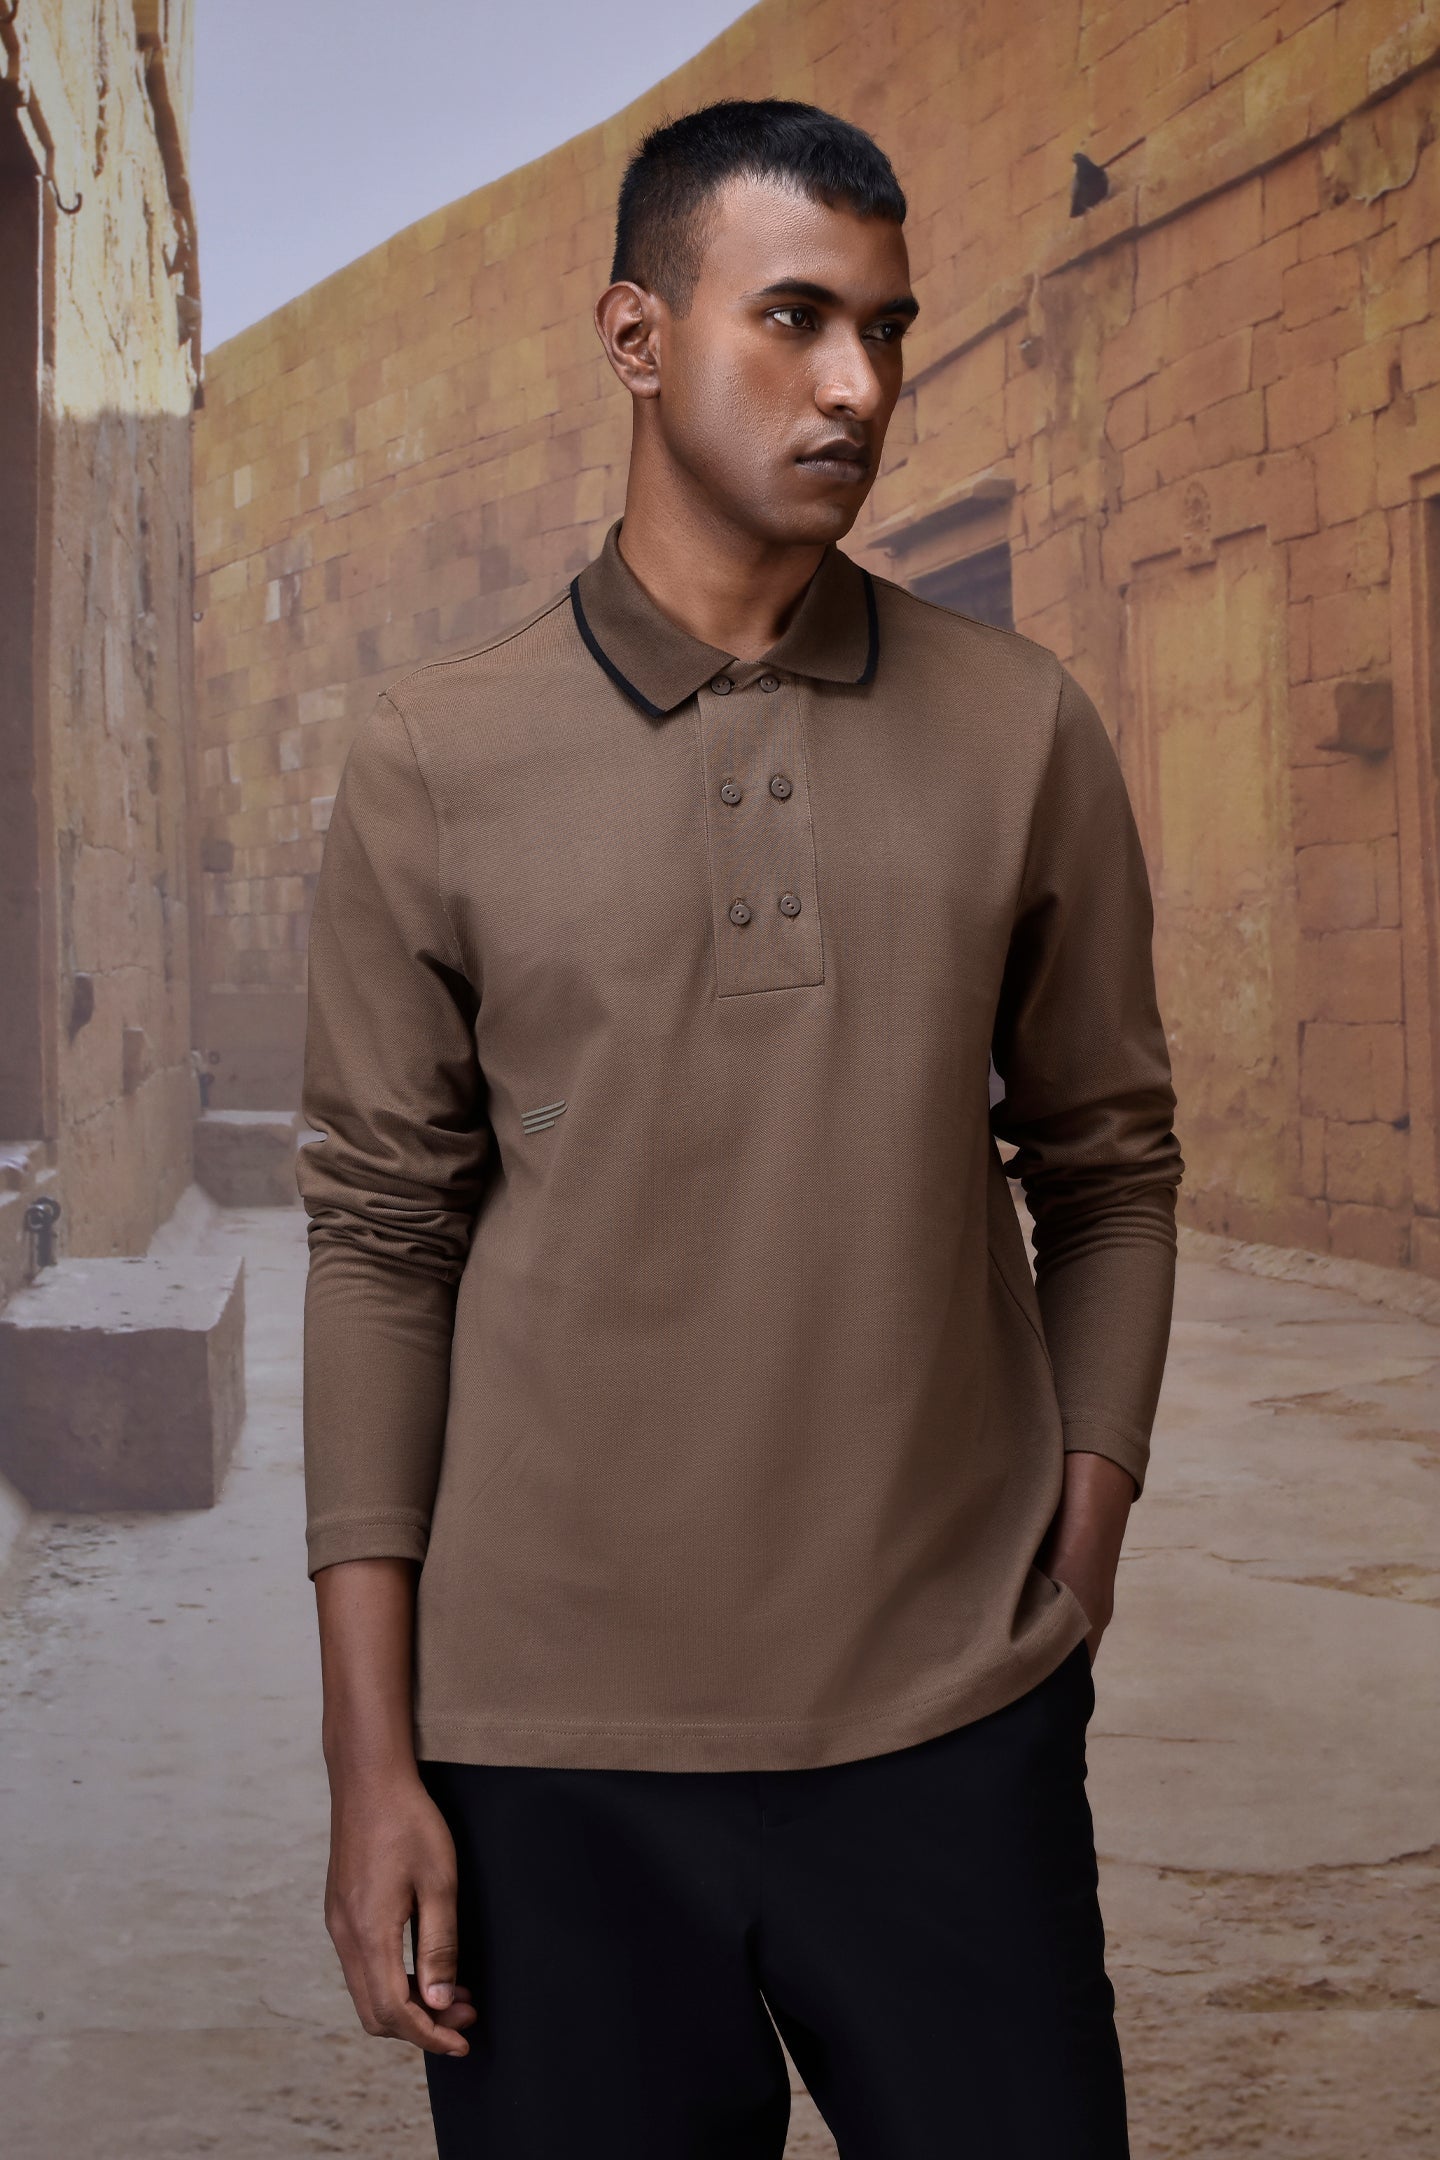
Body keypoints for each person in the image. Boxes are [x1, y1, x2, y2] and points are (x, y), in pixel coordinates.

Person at [296, 97, 1184, 2159]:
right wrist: (372, 1763)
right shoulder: (435, 756)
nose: (858, 384)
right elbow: (380, 1247)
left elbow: (1112, 1167)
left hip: (950, 1728)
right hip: (544, 1761)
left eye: (887, 328)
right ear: (635, 336)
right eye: (795, 318)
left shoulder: (1023, 727)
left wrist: (1080, 1549)